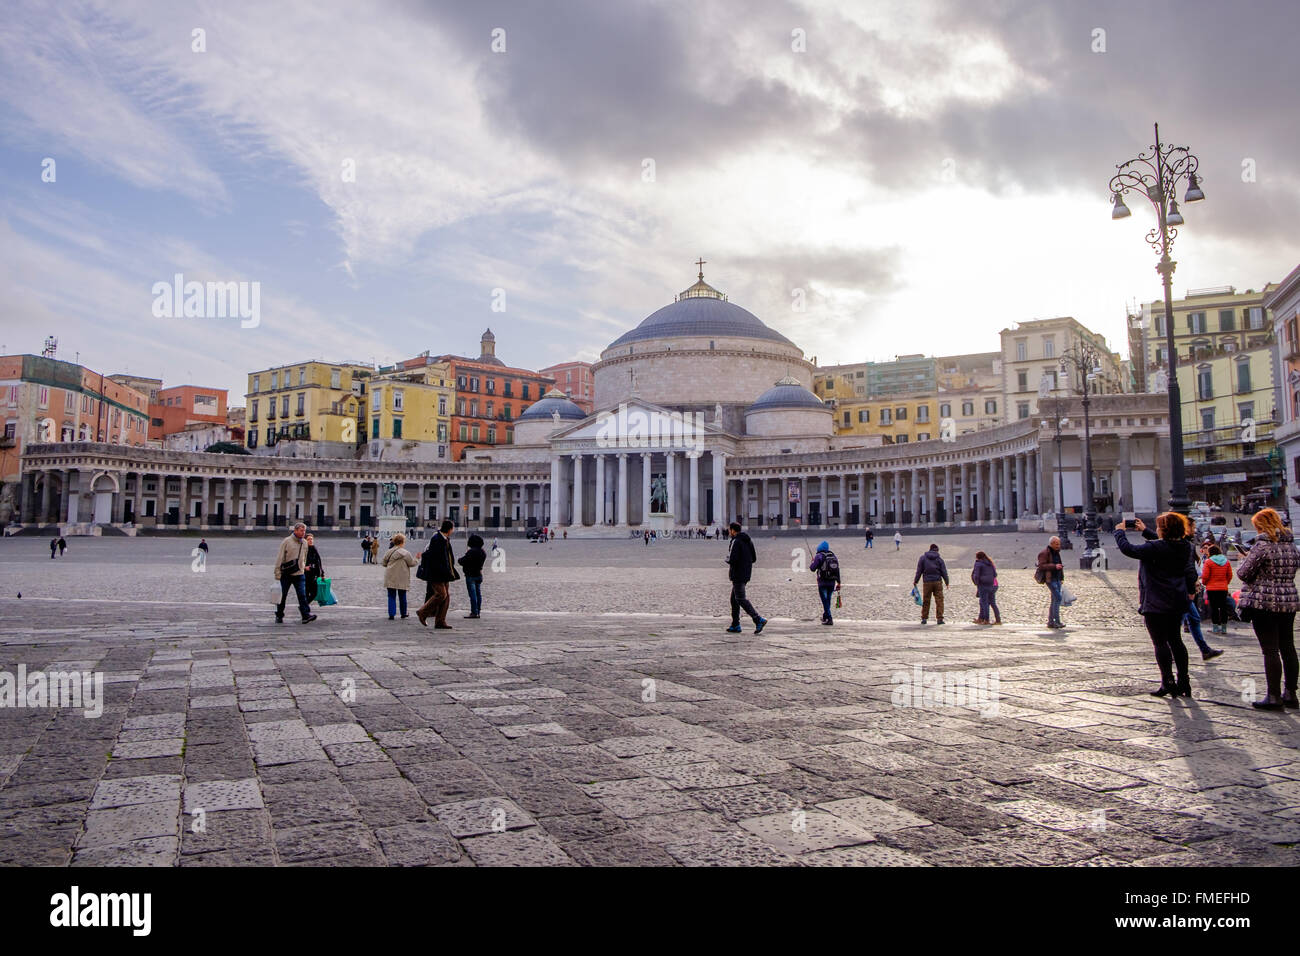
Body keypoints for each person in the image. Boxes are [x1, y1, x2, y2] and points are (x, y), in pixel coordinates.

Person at [1113, 514, 1198, 698]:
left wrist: (1119, 533)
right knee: (1176, 640)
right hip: (1176, 600)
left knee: (1160, 643)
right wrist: (1145, 531)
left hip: (1156, 601)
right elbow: (1165, 547)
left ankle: (1167, 681)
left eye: (1159, 527)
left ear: (1164, 530)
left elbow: (1129, 549)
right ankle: (1184, 681)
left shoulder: (1157, 547)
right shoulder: (1186, 547)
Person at [1234, 507, 1299, 710]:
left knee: (1270, 650)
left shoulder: (1262, 545)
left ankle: (1273, 697)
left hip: (1264, 602)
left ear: (1261, 525)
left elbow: (1244, 574)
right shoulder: (1291, 545)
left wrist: (1244, 559)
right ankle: (1290, 693)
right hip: (1288, 601)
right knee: (1288, 647)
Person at [724, 522, 767, 634]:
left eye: (730, 530)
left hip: (737, 574)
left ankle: (758, 619)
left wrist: (728, 560)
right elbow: (754, 558)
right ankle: (735, 624)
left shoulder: (736, 541)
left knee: (740, 599)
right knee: (734, 600)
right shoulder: (749, 541)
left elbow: (733, 559)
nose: (729, 532)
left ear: (733, 530)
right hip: (746, 573)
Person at [416, 520, 459, 629]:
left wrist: (450, 569)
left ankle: (440, 621)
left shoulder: (445, 539)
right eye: (452, 528)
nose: (453, 531)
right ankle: (422, 612)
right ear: (449, 529)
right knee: (441, 594)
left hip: (445, 572)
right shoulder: (437, 539)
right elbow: (433, 558)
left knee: (446, 597)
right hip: (436, 573)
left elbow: (448, 557)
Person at [273, 522, 317, 623]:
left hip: (299, 574)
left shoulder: (305, 543)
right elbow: (280, 557)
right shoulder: (287, 541)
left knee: (302, 595)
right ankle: (279, 614)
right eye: (301, 531)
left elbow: (304, 557)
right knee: (283, 596)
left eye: (304, 531)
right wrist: (277, 572)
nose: (303, 533)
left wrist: (303, 568)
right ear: (295, 530)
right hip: (286, 574)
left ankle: (305, 615)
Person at [380, 532, 418, 620]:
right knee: (402, 595)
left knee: (391, 596)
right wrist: (417, 558)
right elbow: (412, 563)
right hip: (402, 577)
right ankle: (403, 613)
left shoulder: (389, 552)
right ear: (402, 542)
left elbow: (383, 563)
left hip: (390, 576)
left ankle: (391, 614)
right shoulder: (406, 553)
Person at [1201, 544, 1234, 638]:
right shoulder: (1226, 562)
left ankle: (1215, 627)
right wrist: (1225, 583)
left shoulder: (1208, 562)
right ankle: (1224, 628)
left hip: (1212, 588)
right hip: (1223, 588)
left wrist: (1205, 583)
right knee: (1223, 608)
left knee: (1214, 608)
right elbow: (1230, 575)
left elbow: (1205, 576)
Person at [913, 543, 948, 625]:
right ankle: (940, 619)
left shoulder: (922, 558)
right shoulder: (939, 559)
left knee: (926, 600)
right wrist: (947, 582)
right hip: (937, 582)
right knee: (939, 600)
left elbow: (919, 571)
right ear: (937, 550)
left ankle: (924, 618)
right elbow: (944, 572)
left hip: (927, 582)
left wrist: (916, 581)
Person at [809, 541, 841, 625]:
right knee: (828, 600)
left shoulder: (819, 556)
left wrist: (813, 562)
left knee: (825, 601)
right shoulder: (833, 555)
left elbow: (812, 568)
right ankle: (825, 616)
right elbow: (837, 570)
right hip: (832, 582)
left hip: (822, 582)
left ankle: (829, 618)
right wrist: (839, 582)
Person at [1036, 536, 1066, 628]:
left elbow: (1059, 565)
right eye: (1057, 544)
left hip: (1057, 579)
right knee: (1058, 598)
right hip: (1050, 579)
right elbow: (1041, 566)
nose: (1058, 546)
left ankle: (1050, 622)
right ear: (1051, 543)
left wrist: (1061, 578)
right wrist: (1054, 566)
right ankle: (1056, 621)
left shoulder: (1056, 552)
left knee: (1054, 600)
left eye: (1059, 544)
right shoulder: (1044, 553)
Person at [459, 534, 488, 619]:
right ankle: (478, 611)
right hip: (479, 574)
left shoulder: (471, 552)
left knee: (473, 595)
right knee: (478, 594)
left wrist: (466, 555)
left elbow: (462, 561)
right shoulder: (483, 552)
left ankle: (474, 612)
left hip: (470, 575)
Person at [971, 550, 1001, 625]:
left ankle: (986, 620)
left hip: (983, 585)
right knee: (992, 603)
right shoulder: (990, 563)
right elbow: (995, 574)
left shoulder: (978, 564)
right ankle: (998, 620)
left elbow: (976, 575)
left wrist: (977, 583)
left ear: (978, 557)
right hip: (991, 585)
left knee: (984, 603)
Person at [303, 533, 324, 604]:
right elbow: (298, 561)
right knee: (306, 593)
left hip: (314, 575)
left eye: (311, 539)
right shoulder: (303, 550)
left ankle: (304, 606)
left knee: (314, 593)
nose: (310, 541)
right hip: (305, 575)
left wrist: (322, 574)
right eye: (308, 539)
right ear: (305, 541)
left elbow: (319, 562)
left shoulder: (314, 549)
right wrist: (304, 567)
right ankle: (305, 608)